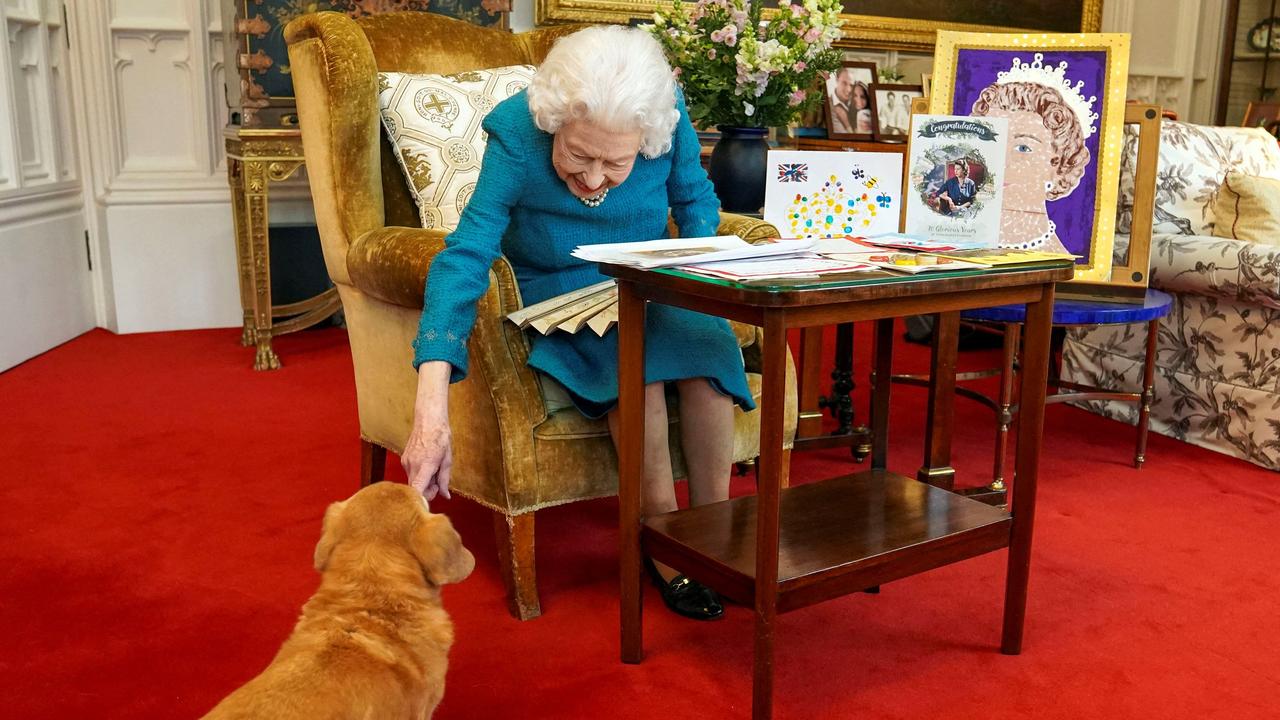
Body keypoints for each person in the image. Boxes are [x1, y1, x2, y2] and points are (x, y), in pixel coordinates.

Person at [402, 26, 754, 622]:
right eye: (577, 155)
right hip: (557, 285)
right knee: (635, 371)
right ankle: (664, 543)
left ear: (645, 136)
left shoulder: (665, 116)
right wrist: (430, 402)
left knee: (707, 361)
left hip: (650, 277)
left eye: (615, 162)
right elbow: (466, 254)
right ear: (554, 122)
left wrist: (705, 283)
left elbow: (695, 205)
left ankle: (711, 536)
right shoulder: (516, 130)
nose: (594, 180)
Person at [970, 81, 1088, 253]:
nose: (1001, 161)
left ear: (1057, 165)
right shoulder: (951, 242)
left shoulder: (1054, 260)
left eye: (1023, 148)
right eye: (991, 143)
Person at [828, 68, 856, 134]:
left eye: (851, 85)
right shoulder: (828, 104)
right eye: (844, 83)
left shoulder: (857, 104)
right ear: (837, 80)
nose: (848, 89)